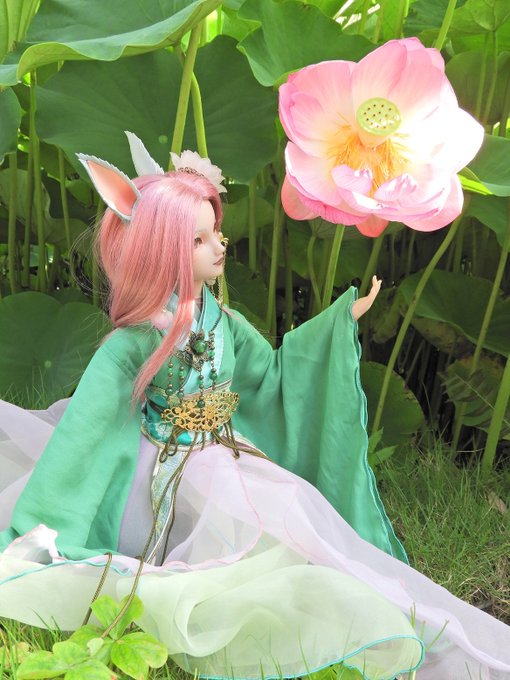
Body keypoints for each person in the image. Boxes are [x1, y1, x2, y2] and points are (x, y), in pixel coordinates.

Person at [0, 134, 509, 680]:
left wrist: (337, 324)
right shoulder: (136, 341)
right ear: (160, 252)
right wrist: (50, 520)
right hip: (159, 464)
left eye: (215, 233)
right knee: (219, 541)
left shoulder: (224, 322)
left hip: (223, 452)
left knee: (292, 516)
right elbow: (86, 428)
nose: (218, 246)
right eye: (199, 240)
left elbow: (271, 373)